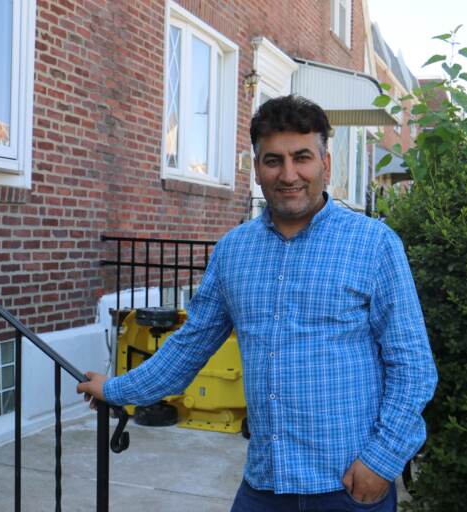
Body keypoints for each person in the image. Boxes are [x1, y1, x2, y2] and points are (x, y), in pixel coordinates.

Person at [77, 95, 437, 511]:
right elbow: (190, 346)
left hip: (349, 485)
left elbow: (412, 366)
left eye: (302, 157)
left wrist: (382, 460)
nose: (288, 174)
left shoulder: (374, 246)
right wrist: (117, 389)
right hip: (266, 483)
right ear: (257, 168)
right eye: (273, 160)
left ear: (327, 163)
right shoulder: (234, 251)